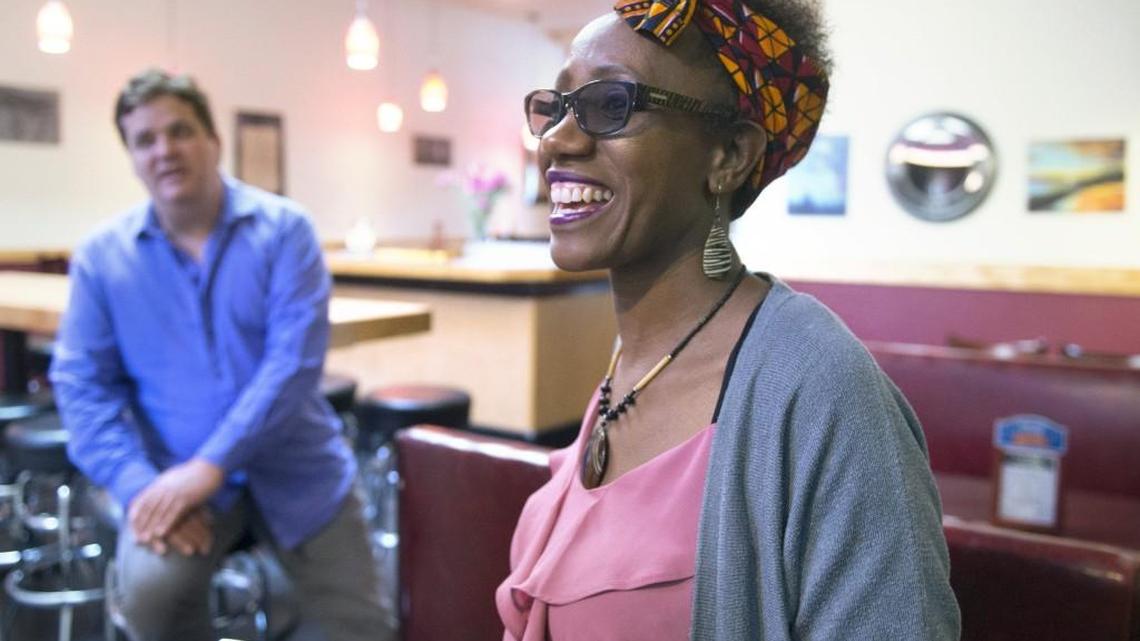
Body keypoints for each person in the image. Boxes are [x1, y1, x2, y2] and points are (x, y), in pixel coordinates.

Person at [497, 1, 961, 640]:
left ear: (729, 155)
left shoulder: (821, 391)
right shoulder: (636, 361)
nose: (556, 140)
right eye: (557, 107)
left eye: (612, 105)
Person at [49, 69, 386, 641]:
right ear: (131, 157)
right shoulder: (103, 261)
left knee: (360, 626)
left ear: (213, 140)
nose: (165, 150)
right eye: (145, 140)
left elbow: (294, 366)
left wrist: (209, 468)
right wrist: (140, 487)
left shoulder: (285, 232)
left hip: (297, 470)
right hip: (170, 476)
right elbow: (82, 388)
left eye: (180, 131)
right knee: (152, 601)